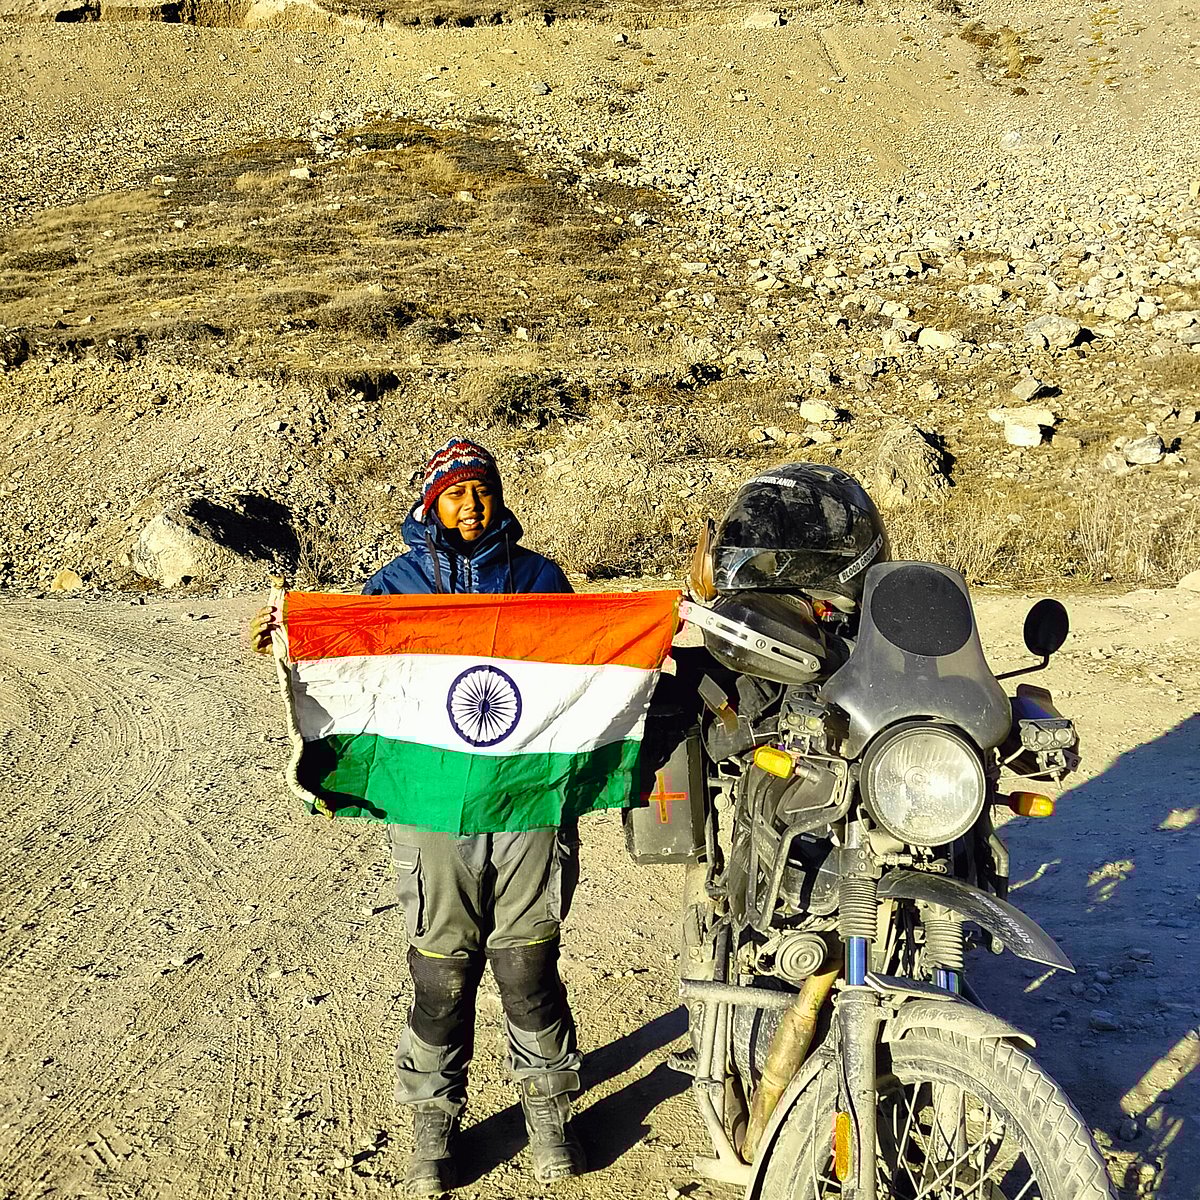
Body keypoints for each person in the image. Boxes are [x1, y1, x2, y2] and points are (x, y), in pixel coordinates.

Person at [252, 438, 585, 1195]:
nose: (471, 505)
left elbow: (589, 668)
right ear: (430, 501)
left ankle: (547, 1113)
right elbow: (352, 668)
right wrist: (292, 638)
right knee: (441, 971)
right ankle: (434, 1122)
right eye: (455, 492)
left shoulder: (541, 580)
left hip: (527, 800)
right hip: (431, 806)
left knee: (529, 964)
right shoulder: (395, 585)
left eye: (482, 491)